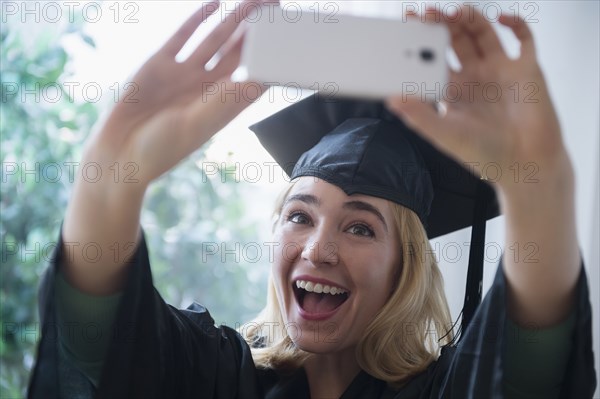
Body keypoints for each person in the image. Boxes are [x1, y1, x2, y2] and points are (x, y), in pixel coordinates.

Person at [28, 1, 596, 398]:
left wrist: (537, 188)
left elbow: (524, 373)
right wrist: (110, 178)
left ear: (408, 266)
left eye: (361, 227)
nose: (318, 249)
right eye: (299, 215)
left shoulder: (444, 391)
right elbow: (100, 348)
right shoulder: (217, 378)